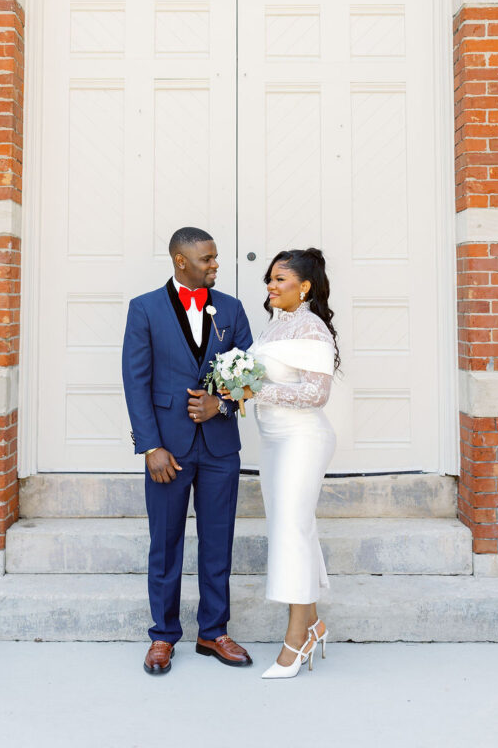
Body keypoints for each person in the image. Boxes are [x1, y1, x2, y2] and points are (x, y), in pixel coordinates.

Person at [122, 227, 253, 676]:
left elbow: (251, 372)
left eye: (216, 258)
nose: (215, 265)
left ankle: (213, 631)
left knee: (218, 543)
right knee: (166, 544)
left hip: (220, 448)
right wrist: (150, 446)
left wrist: (225, 402)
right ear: (181, 260)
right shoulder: (144, 308)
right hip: (168, 451)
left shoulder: (231, 309)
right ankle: (163, 634)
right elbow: (135, 381)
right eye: (207, 259)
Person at [247, 248, 340, 679]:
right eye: (269, 278)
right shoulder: (274, 326)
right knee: (295, 529)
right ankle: (316, 623)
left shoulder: (311, 327)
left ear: (303, 287)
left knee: (291, 532)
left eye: (279, 279)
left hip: (302, 439)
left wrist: (253, 393)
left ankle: (297, 636)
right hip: (274, 441)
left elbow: (316, 394)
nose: (270, 285)